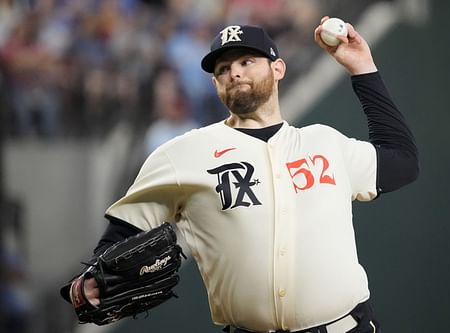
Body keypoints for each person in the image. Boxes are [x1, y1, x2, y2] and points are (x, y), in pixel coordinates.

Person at [61, 17, 419, 333]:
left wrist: (363, 68)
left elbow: (402, 161)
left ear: (278, 69)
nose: (234, 72)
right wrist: (91, 281)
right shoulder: (182, 154)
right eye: (222, 69)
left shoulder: (326, 143)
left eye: (247, 61)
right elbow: (120, 238)